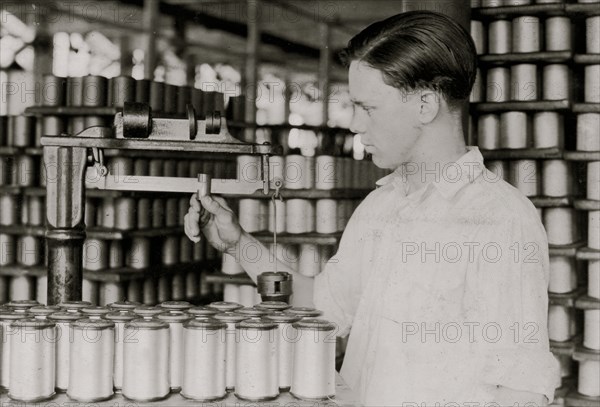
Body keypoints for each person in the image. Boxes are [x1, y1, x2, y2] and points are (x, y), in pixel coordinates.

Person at [185, 11, 560, 406]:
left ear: (425, 105)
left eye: (369, 107)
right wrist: (238, 243)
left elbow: (522, 391)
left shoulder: (499, 218)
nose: (355, 124)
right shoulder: (381, 205)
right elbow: (322, 309)